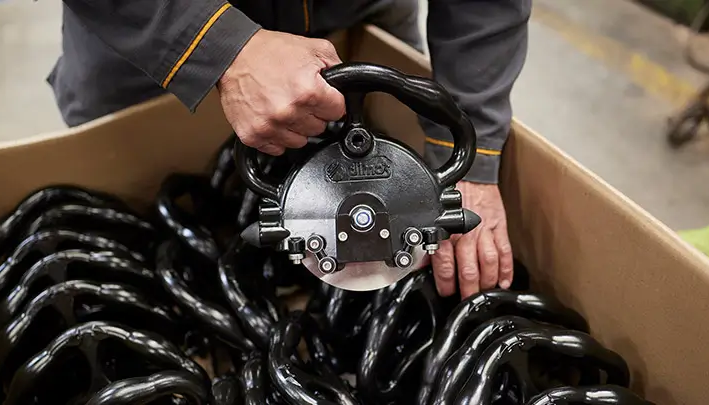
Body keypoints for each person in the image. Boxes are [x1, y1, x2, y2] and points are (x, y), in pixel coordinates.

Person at [50, 0, 532, 299]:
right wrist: (219, 48)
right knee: (131, 218)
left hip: (352, 18)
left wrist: (467, 154)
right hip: (155, 36)